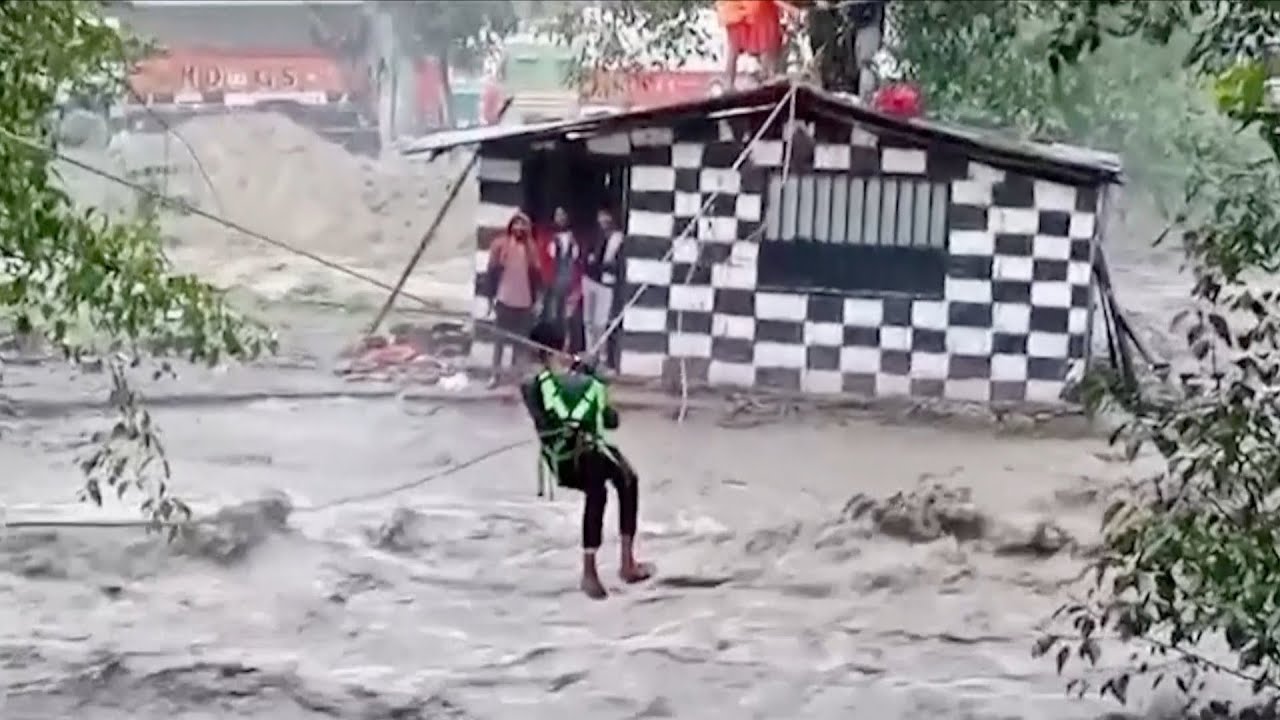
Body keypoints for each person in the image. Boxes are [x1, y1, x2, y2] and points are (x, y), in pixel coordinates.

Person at [520, 321, 653, 599]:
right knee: (599, 488)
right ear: (564, 346)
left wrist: (581, 375)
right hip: (570, 457)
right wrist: (586, 378)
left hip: (580, 453)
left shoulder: (542, 380)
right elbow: (610, 419)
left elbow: (607, 419)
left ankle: (625, 562)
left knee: (627, 478)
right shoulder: (539, 383)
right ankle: (591, 572)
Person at [485, 211, 541, 388]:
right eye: (516, 224)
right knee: (499, 340)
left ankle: (515, 375)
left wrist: (537, 300)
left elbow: (536, 277)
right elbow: (491, 273)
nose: (519, 228)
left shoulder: (531, 248)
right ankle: (495, 375)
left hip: (524, 301)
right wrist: (490, 297)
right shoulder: (500, 245)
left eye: (523, 224)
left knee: (520, 341)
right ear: (510, 226)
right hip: (504, 298)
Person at [716, 0, 802, 90]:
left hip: (738, 10)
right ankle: (768, 77)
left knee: (735, 47)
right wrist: (790, 9)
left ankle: (729, 85)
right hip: (752, 10)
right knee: (764, 40)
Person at [582, 208, 625, 369]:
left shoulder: (618, 239)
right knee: (588, 321)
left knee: (601, 323)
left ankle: (602, 357)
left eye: (606, 216)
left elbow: (618, 264)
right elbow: (586, 255)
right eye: (601, 216)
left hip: (606, 283)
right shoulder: (594, 235)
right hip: (590, 279)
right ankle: (590, 354)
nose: (603, 219)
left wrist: (604, 265)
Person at [539, 206, 584, 351]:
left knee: (566, 316)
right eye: (558, 215)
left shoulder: (574, 239)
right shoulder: (548, 237)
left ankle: (565, 346)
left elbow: (577, 260)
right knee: (550, 314)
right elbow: (545, 259)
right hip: (552, 280)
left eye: (563, 215)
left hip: (568, 281)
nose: (560, 218)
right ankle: (548, 346)